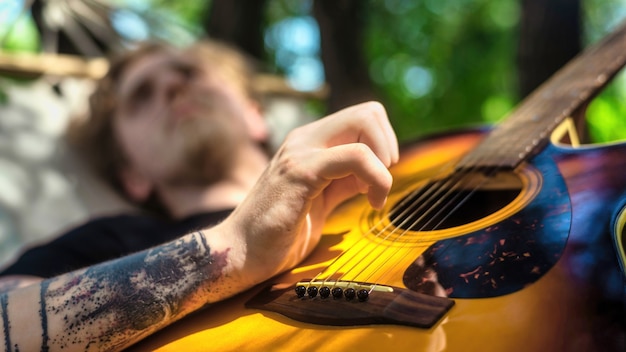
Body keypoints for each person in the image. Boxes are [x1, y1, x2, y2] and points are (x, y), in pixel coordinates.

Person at [0, 39, 399, 351]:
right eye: (142, 95)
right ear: (131, 174)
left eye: (189, 72)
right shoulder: (106, 241)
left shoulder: (368, 181)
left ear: (254, 114)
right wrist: (230, 249)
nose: (173, 86)